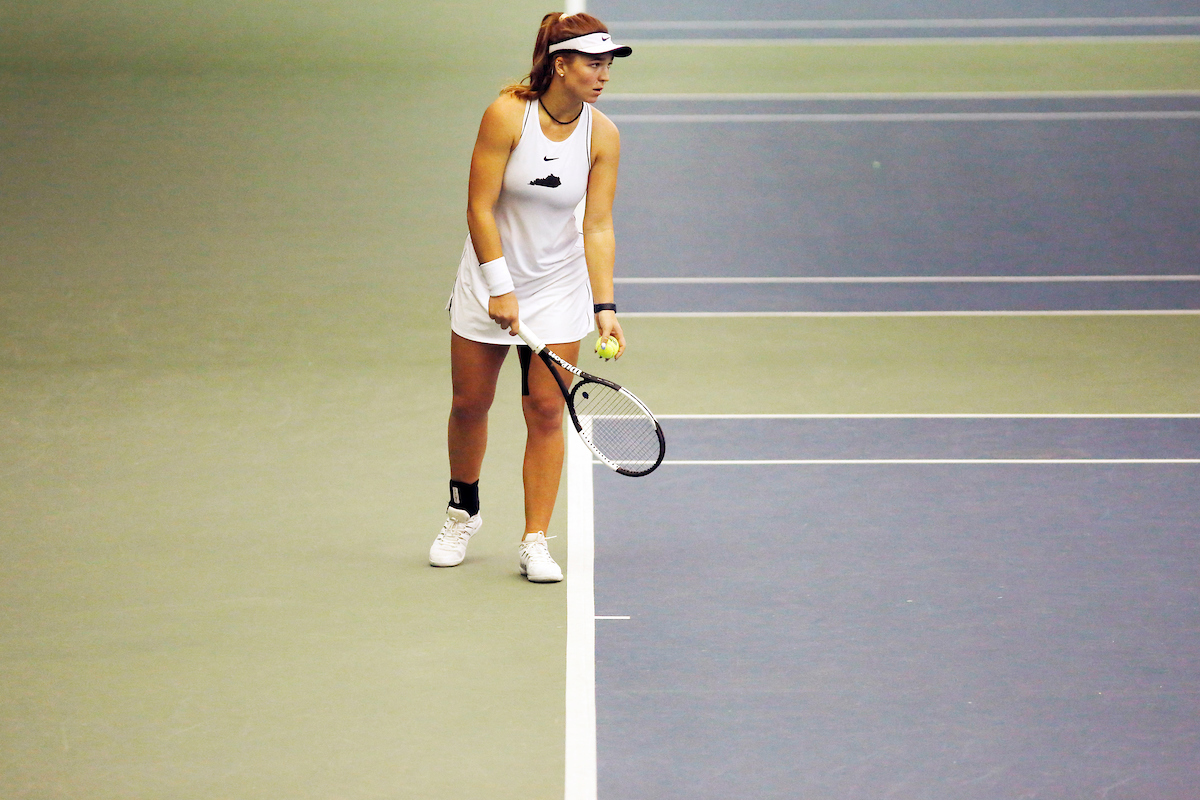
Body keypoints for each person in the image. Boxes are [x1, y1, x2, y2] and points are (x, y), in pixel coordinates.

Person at [429, 13, 632, 582]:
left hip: (557, 286)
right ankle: (461, 510)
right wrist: (499, 286)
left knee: (546, 410)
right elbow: (479, 207)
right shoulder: (505, 115)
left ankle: (535, 539)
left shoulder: (604, 135)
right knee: (470, 403)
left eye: (608, 64)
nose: (604, 75)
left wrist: (605, 306)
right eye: (594, 63)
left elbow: (597, 226)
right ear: (560, 64)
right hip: (488, 279)